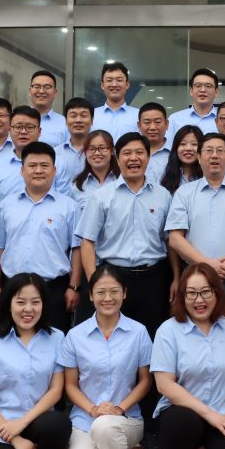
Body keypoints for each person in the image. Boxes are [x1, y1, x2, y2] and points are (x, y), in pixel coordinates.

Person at [77, 132, 178, 346]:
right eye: (127, 153)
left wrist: (176, 277)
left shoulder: (163, 196)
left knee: (153, 338)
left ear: (148, 157)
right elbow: (87, 242)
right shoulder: (101, 196)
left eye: (140, 152)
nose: (134, 158)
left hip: (154, 278)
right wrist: (96, 282)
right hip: (114, 277)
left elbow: (170, 241)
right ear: (117, 157)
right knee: (113, 338)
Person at [153, 264, 225, 449]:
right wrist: (208, 414)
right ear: (182, 296)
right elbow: (164, 384)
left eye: (206, 292)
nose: (199, 300)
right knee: (179, 423)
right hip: (185, 414)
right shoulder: (168, 331)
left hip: (223, 412)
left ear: (217, 292)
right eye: (192, 293)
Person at [0, 274, 71, 449]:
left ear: (44, 304)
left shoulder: (57, 338)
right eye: (20, 302)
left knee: (59, 424)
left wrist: (22, 423)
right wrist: (16, 438)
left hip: (35, 425)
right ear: (9, 305)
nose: (28, 309)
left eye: (35, 302)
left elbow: (56, 390)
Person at [61, 265, 153, 449]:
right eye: (101, 292)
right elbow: (70, 385)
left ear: (124, 293)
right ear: (91, 295)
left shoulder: (138, 332)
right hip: (85, 419)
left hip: (126, 420)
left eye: (114, 291)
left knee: (106, 426)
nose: (108, 298)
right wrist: (92, 409)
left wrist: (119, 408)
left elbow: (146, 381)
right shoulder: (75, 336)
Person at [166, 132, 225, 328]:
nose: (214, 155)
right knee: (193, 330)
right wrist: (208, 265)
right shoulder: (184, 193)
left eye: (220, 151)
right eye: (208, 151)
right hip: (194, 278)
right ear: (199, 157)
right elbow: (175, 238)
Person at [0, 141, 81, 333]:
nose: (38, 170)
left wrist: (74, 287)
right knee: (10, 340)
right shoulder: (7, 204)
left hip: (54, 289)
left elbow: (77, 249)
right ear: (22, 171)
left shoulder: (69, 207)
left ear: (54, 170)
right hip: (12, 287)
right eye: (32, 165)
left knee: (53, 340)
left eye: (44, 165)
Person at [0, 106, 42, 199]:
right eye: (18, 127)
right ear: (9, 130)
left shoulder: (57, 164)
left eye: (30, 127)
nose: (23, 132)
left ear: (39, 131)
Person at [70, 130, 120, 215]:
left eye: (102, 148)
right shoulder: (77, 185)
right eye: (91, 149)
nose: (97, 153)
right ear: (85, 152)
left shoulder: (122, 180)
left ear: (112, 150)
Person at [53, 97, 94, 196]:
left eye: (83, 116)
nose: (78, 120)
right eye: (73, 116)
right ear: (65, 121)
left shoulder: (102, 153)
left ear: (92, 120)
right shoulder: (55, 154)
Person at [167, 68, 220, 143]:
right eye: (198, 86)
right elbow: (169, 147)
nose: (202, 90)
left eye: (208, 86)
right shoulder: (175, 119)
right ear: (191, 91)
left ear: (216, 92)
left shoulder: (223, 119)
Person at [93, 62, 139, 142]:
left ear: (127, 84)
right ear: (102, 85)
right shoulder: (92, 115)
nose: (114, 84)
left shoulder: (139, 115)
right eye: (109, 80)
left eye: (119, 80)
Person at [159, 125, 204, 195]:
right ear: (176, 148)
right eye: (183, 144)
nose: (188, 148)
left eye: (194, 144)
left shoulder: (207, 176)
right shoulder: (164, 174)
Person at [28, 70, 67, 148]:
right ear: (30, 91)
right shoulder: (15, 120)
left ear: (55, 93)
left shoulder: (64, 123)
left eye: (47, 87)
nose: (41, 91)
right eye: (37, 87)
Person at [138, 102, 171, 181]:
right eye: (147, 122)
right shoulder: (130, 154)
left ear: (167, 124)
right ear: (139, 125)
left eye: (157, 122)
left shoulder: (176, 152)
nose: (152, 127)